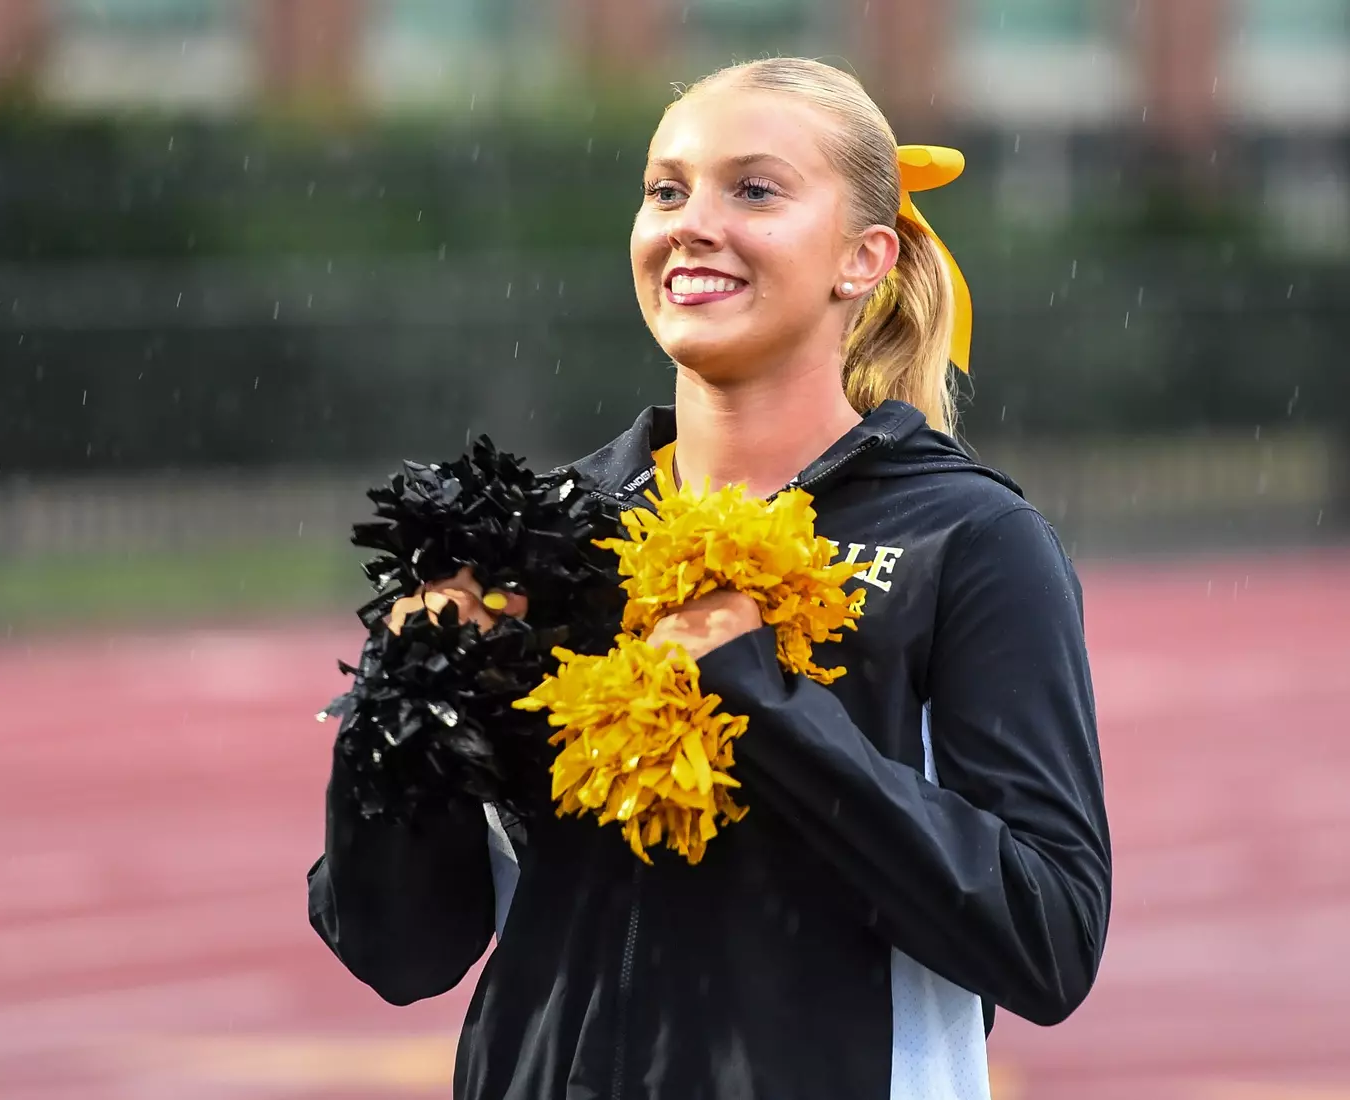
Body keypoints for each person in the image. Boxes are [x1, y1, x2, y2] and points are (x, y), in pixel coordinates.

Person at [308, 56, 1110, 1100]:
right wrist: (403, 705)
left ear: (864, 256)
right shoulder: (543, 540)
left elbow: (1046, 936)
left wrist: (763, 702)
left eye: (756, 189)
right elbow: (397, 951)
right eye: (666, 189)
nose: (692, 223)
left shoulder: (969, 537)